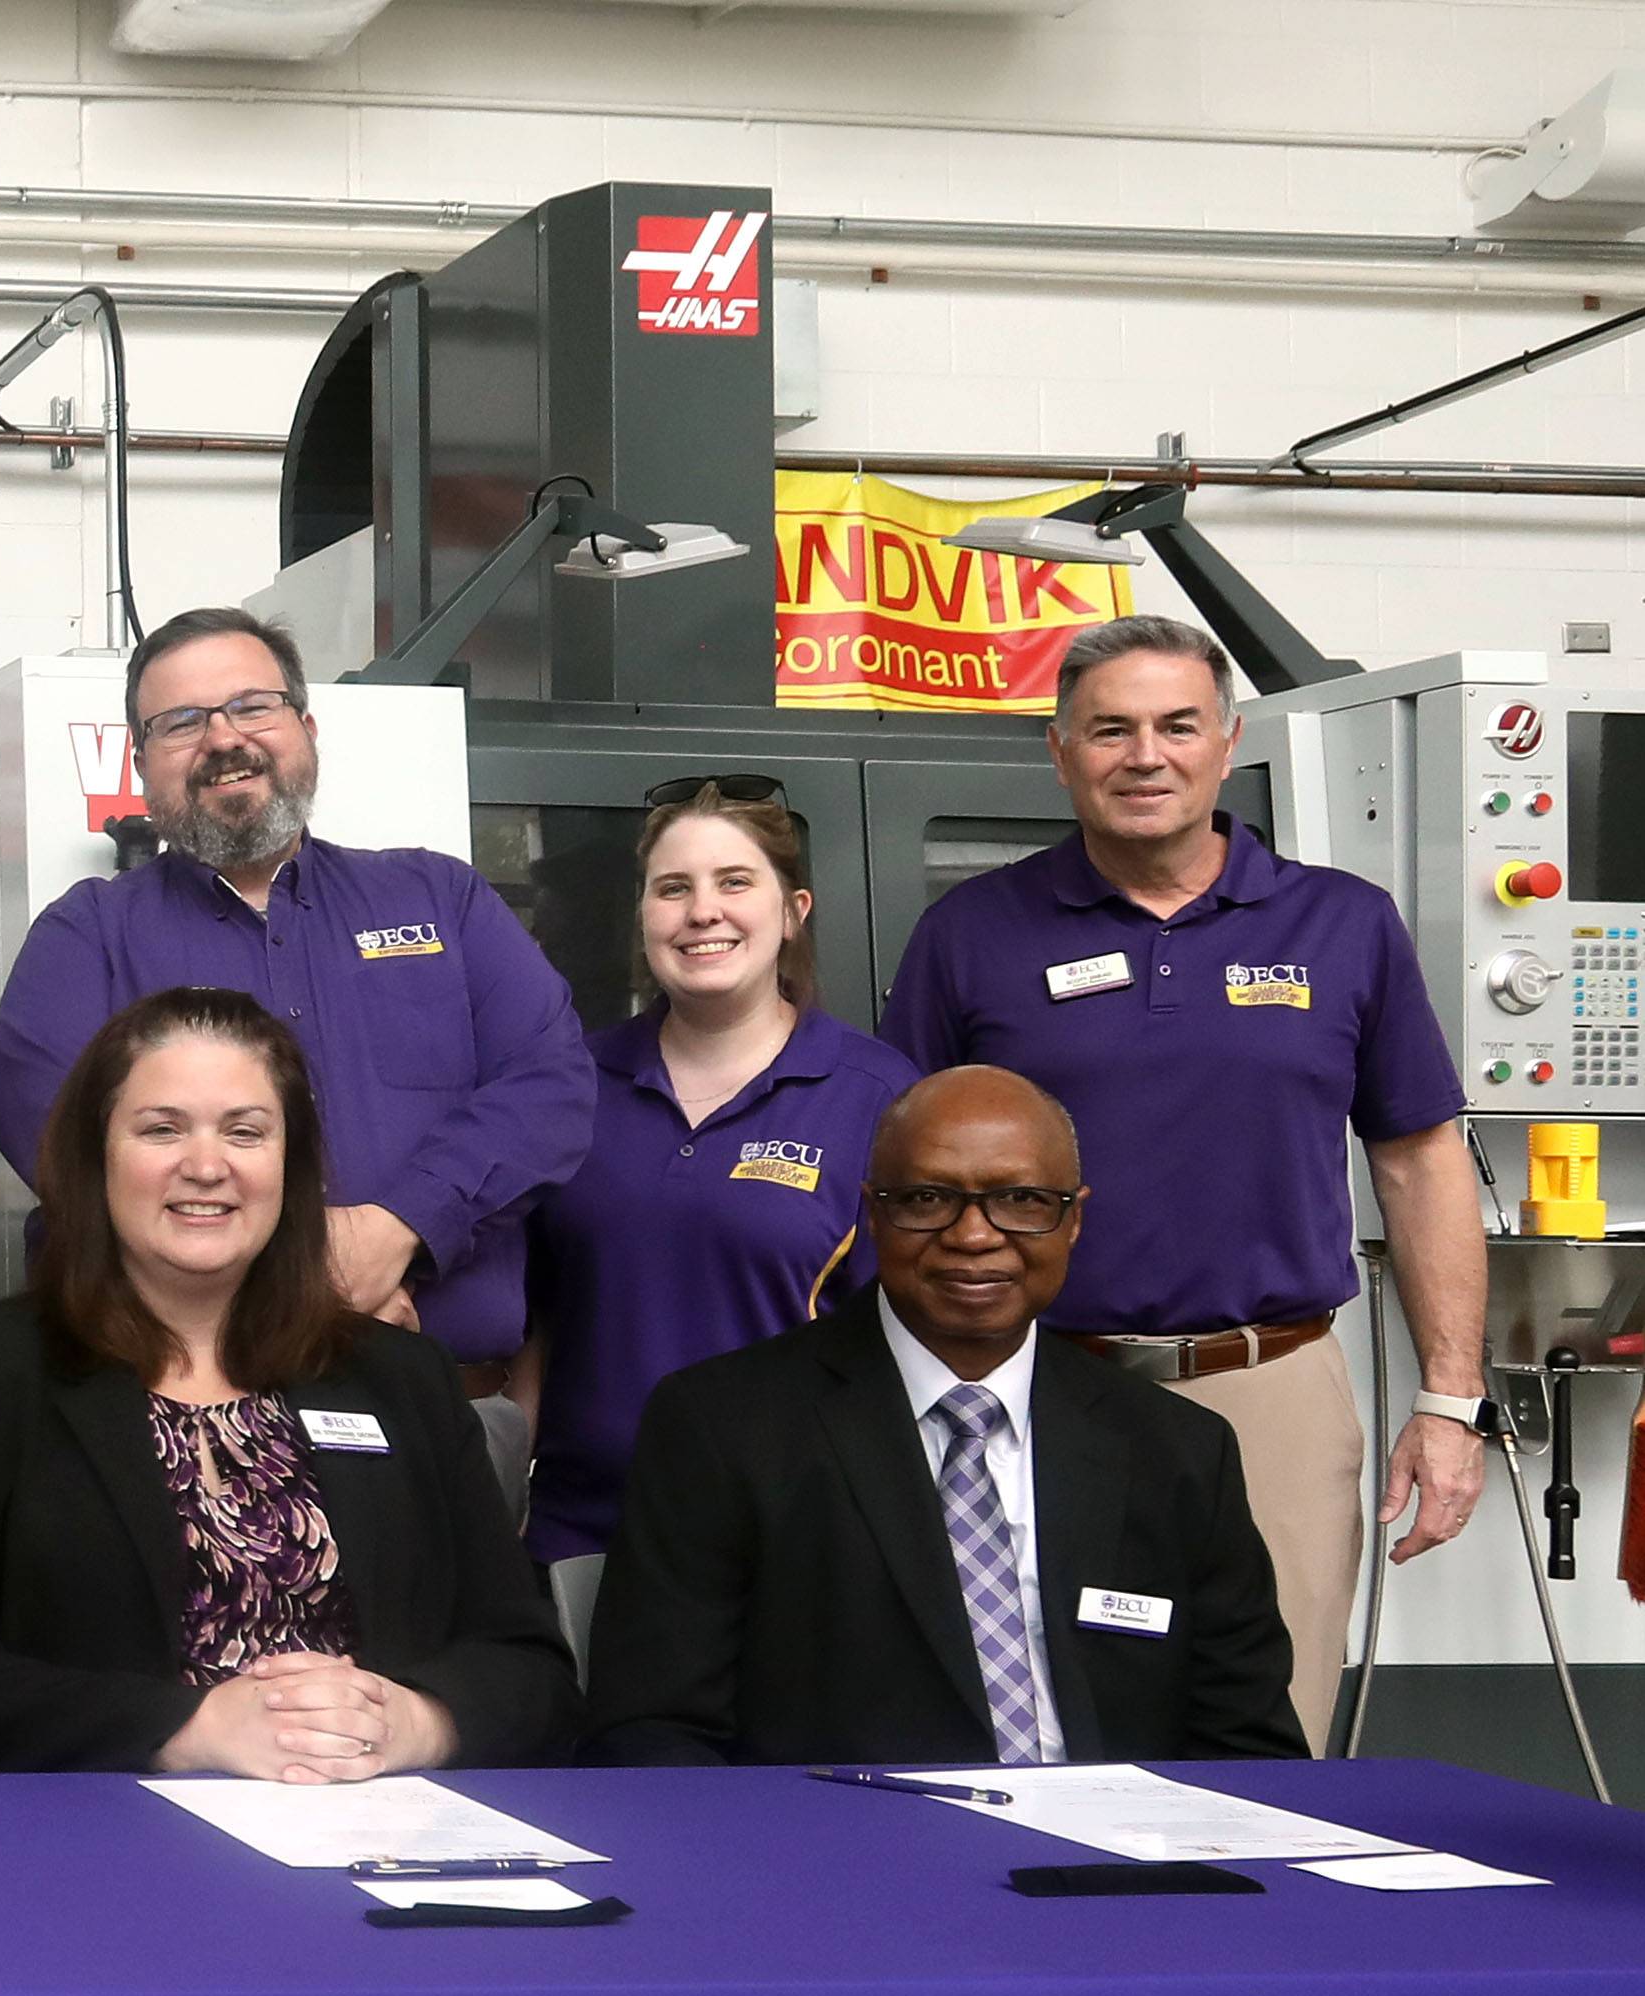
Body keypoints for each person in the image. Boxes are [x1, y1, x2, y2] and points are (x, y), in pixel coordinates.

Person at [876, 611, 1483, 1752]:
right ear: (1061, 752)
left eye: (1177, 725)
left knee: (1272, 1735)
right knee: (1032, 1719)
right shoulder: (972, 933)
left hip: (1271, 1388)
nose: (1144, 755)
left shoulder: (1342, 924)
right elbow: (898, 1175)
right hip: (1030, 1389)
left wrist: (1451, 1402)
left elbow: (1419, 1159)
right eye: (1110, 729)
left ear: (1228, 742)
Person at [0, 987, 575, 1778]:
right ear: (96, 1156)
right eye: (162, 1129)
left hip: (375, 1823)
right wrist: (191, 1729)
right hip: (93, 1831)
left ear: (291, 1164)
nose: (205, 1166)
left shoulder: (403, 1379)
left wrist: (415, 1722)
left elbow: (530, 1670)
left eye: (245, 1131)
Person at [584, 1066, 1302, 1767]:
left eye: (1022, 1200)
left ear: (1073, 1220)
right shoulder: (722, 1428)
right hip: (843, 1839)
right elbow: (654, 1735)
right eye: (927, 1199)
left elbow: (1250, 1750)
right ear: (873, 1214)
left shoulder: (1176, 1450)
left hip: (1119, 1841)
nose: (974, 1236)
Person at [0, 609, 595, 1399]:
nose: (223, 738)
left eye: (252, 706)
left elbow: (551, 1085)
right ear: (140, 764)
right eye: (182, 723)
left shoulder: (441, 899)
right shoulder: (85, 937)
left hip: (444, 1403)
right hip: (163, 1409)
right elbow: (61, 1143)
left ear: (306, 729)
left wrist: (398, 1227)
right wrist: (303, 1284)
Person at [519, 788, 915, 1643]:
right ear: (642, 917)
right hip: (586, 1534)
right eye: (673, 888)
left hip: (792, 1543)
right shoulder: (570, 1086)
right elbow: (534, 1325)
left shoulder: (880, 1099)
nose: (703, 912)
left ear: (793, 911)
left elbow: (909, 1354)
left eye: (735, 882)